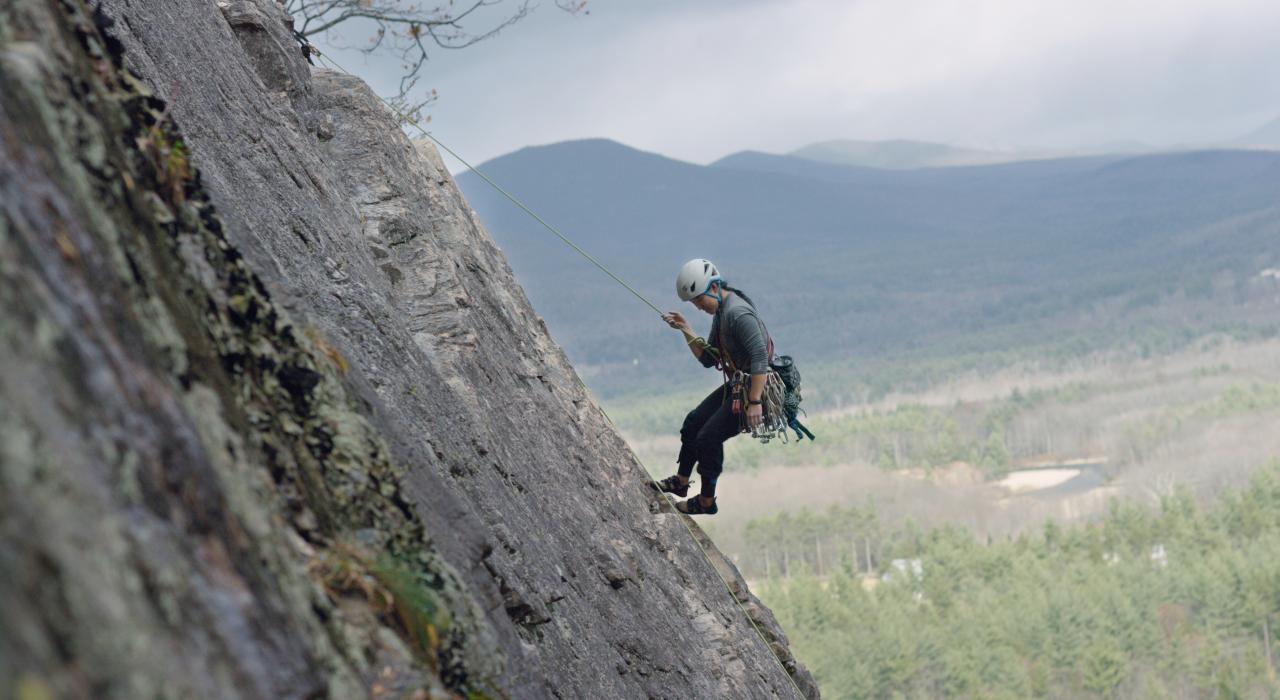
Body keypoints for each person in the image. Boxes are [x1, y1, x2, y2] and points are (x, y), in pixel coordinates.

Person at [657, 258, 771, 515]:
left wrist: (754, 402)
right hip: (741, 384)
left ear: (714, 287)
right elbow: (709, 359)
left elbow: (760, 357)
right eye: (694, 303)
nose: (698, 307)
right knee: (693, 422)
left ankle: (706, 502)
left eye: (699, 300)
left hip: (756, 388)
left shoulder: (737, 313)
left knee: (708, 438)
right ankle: (681, 482)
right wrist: (685, 329)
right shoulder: (722, 312)